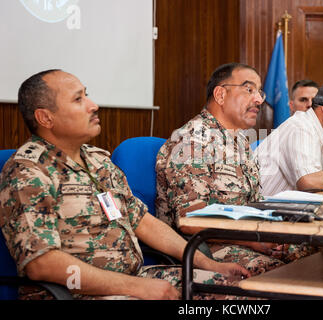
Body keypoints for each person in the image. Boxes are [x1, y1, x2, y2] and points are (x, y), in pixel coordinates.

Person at [0, 69, 250, 300]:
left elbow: (141, 220)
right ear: (45, 117)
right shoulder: (28, 171)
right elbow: (42, 264)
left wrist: (208, 264)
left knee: (238, 290)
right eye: (78, 100)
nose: (93, 105)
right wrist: (137, 288)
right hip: (74, 293)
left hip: (131, 280)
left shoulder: (96, 159)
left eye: (87, 95)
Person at [156, 63, 315, 275]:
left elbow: (254, 206)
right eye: (249, 90)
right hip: (207, 248)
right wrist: (252, 239)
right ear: (220, 95)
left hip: (248, 238)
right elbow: (192, 222)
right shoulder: (192, 143)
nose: (259, 100)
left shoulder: (240, 141)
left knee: (318, 251)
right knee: (279, 273)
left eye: (260, 92)